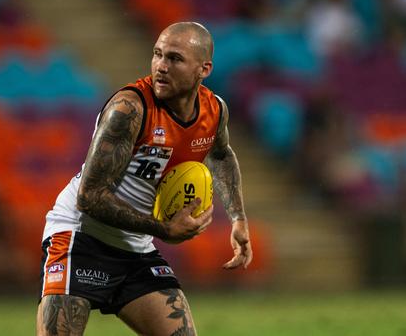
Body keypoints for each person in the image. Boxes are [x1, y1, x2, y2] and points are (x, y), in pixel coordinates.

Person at [37, 22, 252, 335]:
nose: (161, 67)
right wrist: (163, 229)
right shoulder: (129, 109)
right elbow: (89, 197)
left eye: (175, 59)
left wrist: (238, 218)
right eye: (158, 54)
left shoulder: (215, 111)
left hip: (135, 247)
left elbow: (220, 154)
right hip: (80, 237)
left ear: (203, 69)